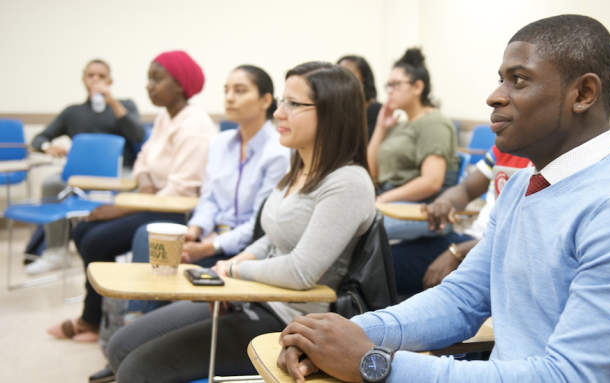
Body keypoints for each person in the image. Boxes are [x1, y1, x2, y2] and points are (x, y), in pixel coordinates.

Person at [277, 15, 610, 382]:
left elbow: (569, 377)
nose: (495, 95)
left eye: (518, 80)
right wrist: (339, 334)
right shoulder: (526, 184)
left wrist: (374, 364)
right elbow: (462, 300)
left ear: (583, 94)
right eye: (500, 78)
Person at [106, 61, 376, 382]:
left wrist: (233, 271)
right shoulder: (300, 166)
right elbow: (271, 236)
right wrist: (232, 267)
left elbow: (301, 271)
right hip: (257, 297)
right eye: (281, 102)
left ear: (332, 113)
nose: (278, 113)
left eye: (293, 104)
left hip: (290, 321)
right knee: (121, 345)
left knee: (138, 369)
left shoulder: (348, 182)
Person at [46, 50, 217, 342]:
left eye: (156, 78)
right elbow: (142, 159)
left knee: (97, 238)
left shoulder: (195, 125)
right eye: (149, 78)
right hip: (154, 200)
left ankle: (95, 319)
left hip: (176, 211)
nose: (148, 85)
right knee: (85, 230)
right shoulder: (166, 117)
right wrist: (145, 182)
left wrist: (122, 207)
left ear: (179, 84)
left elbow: (181, 189)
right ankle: (97, 317)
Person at [124, 64, 291, 316]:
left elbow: (259, 224)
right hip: (211, 236)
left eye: (240, 90)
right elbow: (209, 199)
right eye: (226, 90)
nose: (229, 98)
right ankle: (136, 318)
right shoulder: (221, 143)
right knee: (146, 237)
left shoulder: (277, 153)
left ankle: (144, 323)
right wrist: (195, 231)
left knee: (168, 258)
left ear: (266, 100)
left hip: (245, 250)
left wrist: (209, 247)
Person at [25, 59, 145, 274]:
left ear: (110, 80)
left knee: (134, 187)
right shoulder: (73, 112)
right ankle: (56, 251)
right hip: (82, 173)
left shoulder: (125, 106)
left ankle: (124, 247)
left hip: (120, 172)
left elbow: (138, 134)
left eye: (101, 76)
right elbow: (39, 137)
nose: (96, 80)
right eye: (91, 76)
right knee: (51, 184)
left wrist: (113, 102)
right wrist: (47, 146)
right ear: (84, 79)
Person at [393, 145, 531, 297]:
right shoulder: (506, 145)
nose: (493, 121)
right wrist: (444, 202)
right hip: (471, 240)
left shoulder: (554, 166)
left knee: (385, 271)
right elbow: (466, 189)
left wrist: (457, 252)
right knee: (386, 262)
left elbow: (526, 238)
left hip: (499, 254)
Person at [367, 48, 460, 239]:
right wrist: (380, 127)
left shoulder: (434, 123)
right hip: (391, 201)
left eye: (396, 85)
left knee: (356, 229)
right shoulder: (399, 125)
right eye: (388, 86)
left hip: (422, 208)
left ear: (418, 87)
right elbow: (372, 172)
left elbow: (431, 183)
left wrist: (382, 200)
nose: (389, 91)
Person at [337, 55, 382, 138]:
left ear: (363, 77)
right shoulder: (337, 109)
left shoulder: (376, 109)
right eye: (338, 75)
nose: (341, 79)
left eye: (347, 73)